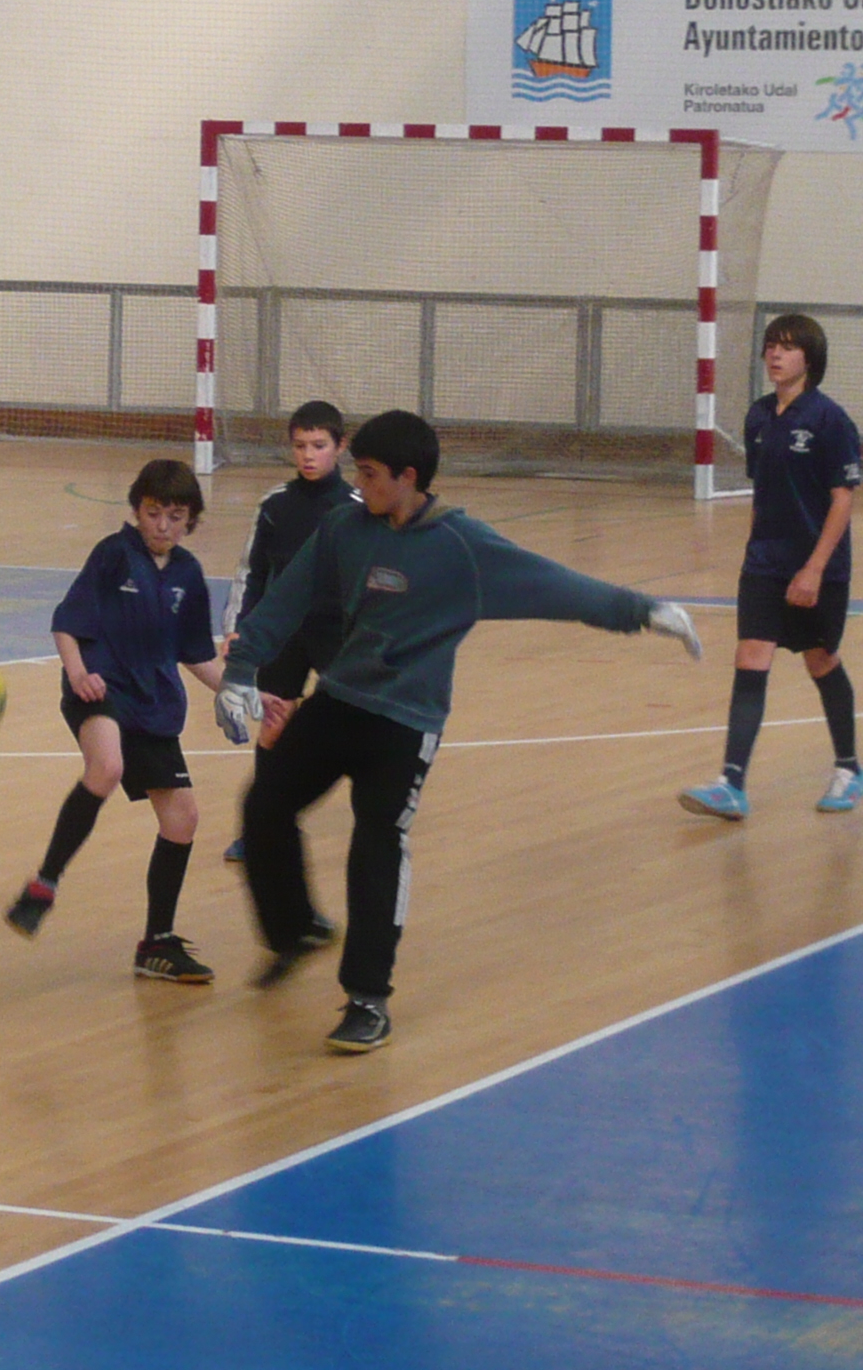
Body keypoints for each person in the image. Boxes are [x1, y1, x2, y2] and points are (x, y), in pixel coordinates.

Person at [224, 410, 703, 1054]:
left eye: (370, 474)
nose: (358, 485)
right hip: (339, 700)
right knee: (264, 803)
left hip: (405, 722)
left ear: (408, 477)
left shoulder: (462, 547)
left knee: (377, 844)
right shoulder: (344, 527)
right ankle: (295, 931)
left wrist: (642, 611)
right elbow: (286, 598)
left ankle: (367, 1000)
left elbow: (555, 587)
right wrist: (241, 670)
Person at [6, 459, 229, 982]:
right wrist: (78, 672)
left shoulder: (188, 575)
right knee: (106, 766)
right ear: (136, 510)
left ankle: (157, 943)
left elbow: (196, 654)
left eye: (175, 517)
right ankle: (44, 884)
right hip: (100, 690)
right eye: (153, 513)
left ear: (190, 521)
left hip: (153, 704)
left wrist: (243, 694)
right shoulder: (113, 555)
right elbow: (67, 623)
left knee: (183, 819)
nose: (163, 526)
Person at [681, 315, 861, 820]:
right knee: (750, 658)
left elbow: (842, 501)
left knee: (820, 659)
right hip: (764, 564)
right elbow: (763, 491)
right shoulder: (759, 416)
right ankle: (731, 783)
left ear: (810, 358)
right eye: (771, 346)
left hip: (818, 568)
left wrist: (814, 569)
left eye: (788, 347)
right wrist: (755, 550)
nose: (775, 355)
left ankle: (849, 768)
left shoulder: (830, 421)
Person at [220, 401, 357, 865]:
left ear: (340, 447)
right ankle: (260, 828)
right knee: (274, 724)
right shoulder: (275, 505)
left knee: (356, 727)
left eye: (319, 445)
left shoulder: (358, 509)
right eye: (300, 446)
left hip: (338, 638)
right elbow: (252, 573)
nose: (308, 455)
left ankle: (375, 820)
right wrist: (237, 630)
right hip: (285, 636)